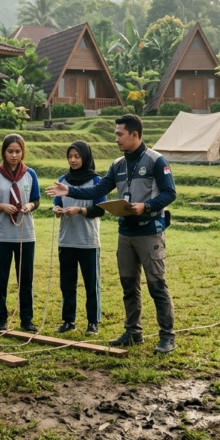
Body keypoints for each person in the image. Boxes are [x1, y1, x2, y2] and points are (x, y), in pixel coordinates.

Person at [47, 114, 178, 354]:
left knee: (156, 285)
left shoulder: (156, 161)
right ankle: (132, 332)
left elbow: (170, 193)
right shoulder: (118, 164)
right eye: (116, 134)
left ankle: (167, 336)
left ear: (135, 135)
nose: (116, 138)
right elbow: (99, 189)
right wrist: (70, 189)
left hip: (150, 231)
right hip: (125, 231)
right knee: (129, 285)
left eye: (120, 134)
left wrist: (146, 206)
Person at [0, 134, 41, 333]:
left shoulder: (30, 174)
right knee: (1, 279)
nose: (14, 155)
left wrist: (30, 205)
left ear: (23, 152)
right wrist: (0, 206)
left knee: (25, 278)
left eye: (17, 151)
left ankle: (27, 320)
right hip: (1, 235)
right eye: (10, 151)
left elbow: (37, 200)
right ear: (3, 152)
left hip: (25, 234)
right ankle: (1, 321)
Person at [51, 141, 106, 335]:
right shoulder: (62, 180)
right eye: (70, 156)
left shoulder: (96, 182)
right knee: (67, 283)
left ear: (85, 157)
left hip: (88, 240)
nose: (73, 160)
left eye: (77, 156)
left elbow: (101, 210)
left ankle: (93, 322)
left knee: (91, 283)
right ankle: (68, 320)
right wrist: (57, 209)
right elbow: (57, 202)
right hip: (66, 239)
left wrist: (80, 210)